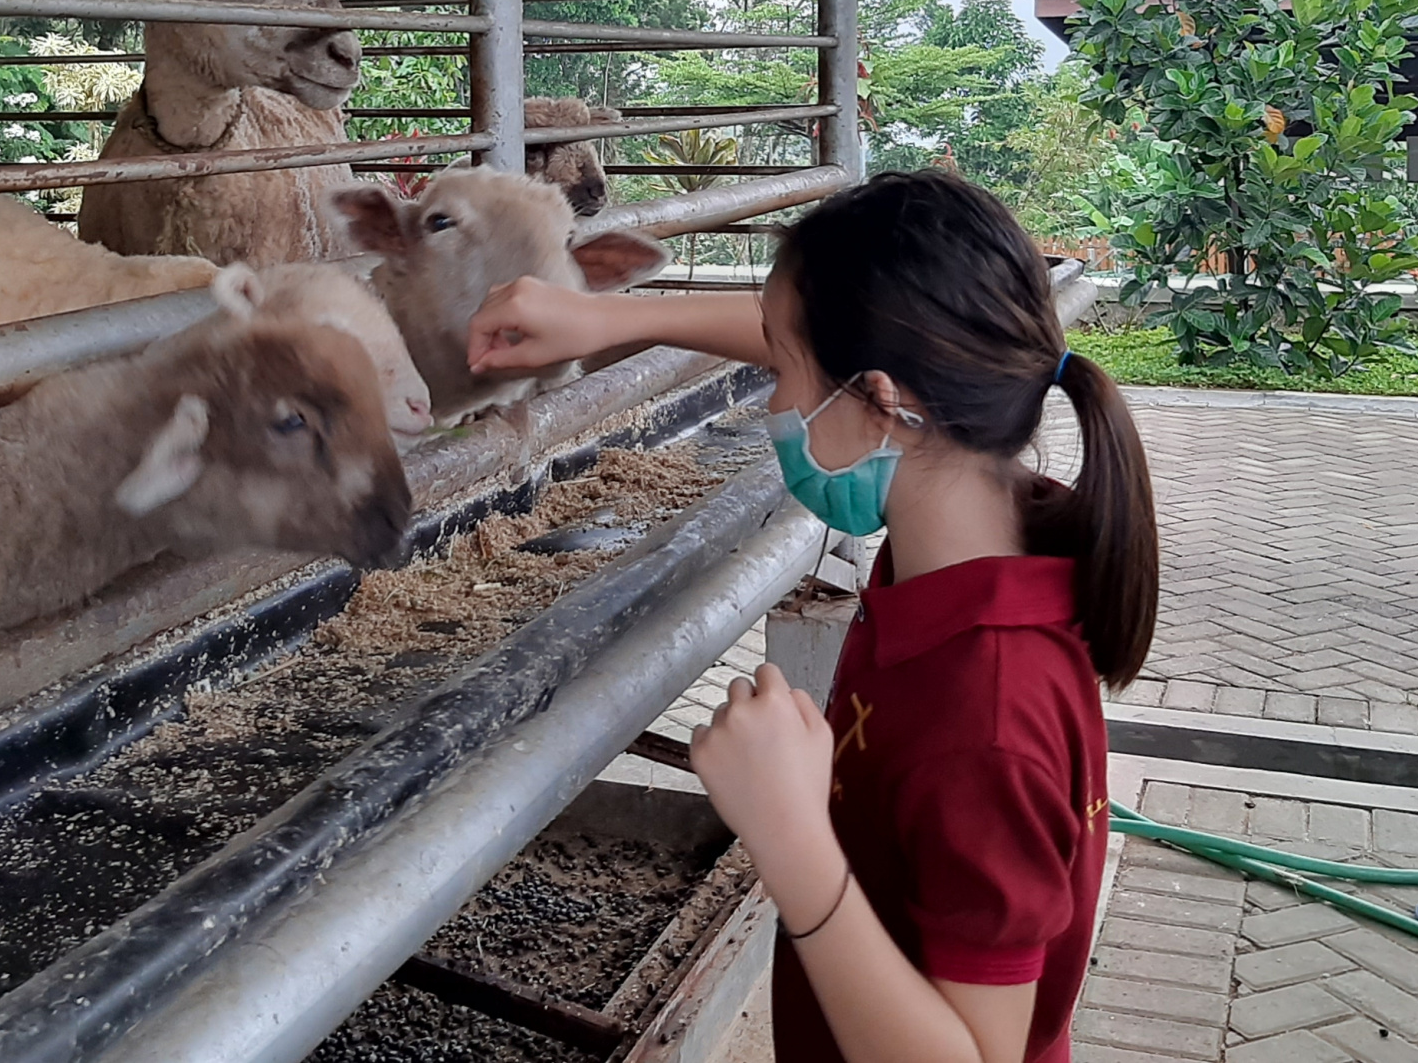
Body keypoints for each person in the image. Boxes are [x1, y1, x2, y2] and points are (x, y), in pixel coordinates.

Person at [467, 170, 1158, 1063]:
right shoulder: (983, 524)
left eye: (784, 371)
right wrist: (612, 319)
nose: (773, 404)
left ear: (880, 401)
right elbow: (819, 343)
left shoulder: (986, 716)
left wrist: (790, 838)